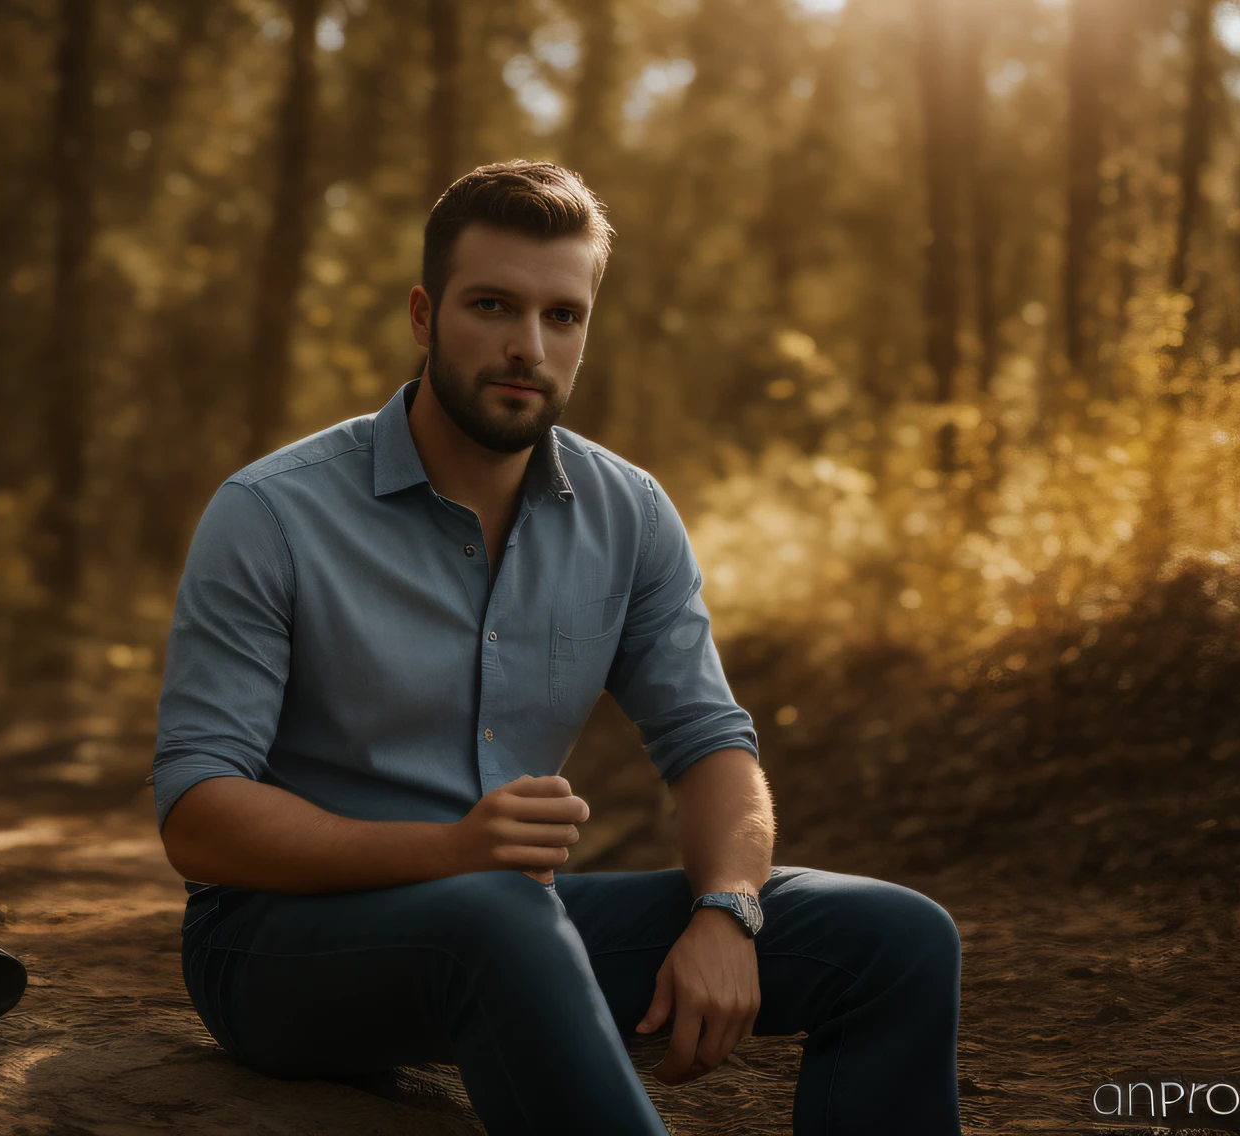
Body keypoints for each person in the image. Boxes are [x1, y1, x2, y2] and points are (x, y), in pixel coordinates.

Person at [150, 160, 962, 1136]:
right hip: (276, 946)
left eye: (561, 315)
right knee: (494, 914)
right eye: (491, 304)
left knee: (896, 937)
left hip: (510, 924)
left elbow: (710, 745)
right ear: (422, 314)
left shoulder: (629, 514)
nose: (525, 346)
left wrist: (726, 911)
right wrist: (447, 850)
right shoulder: (269, 514)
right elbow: (196, 816)